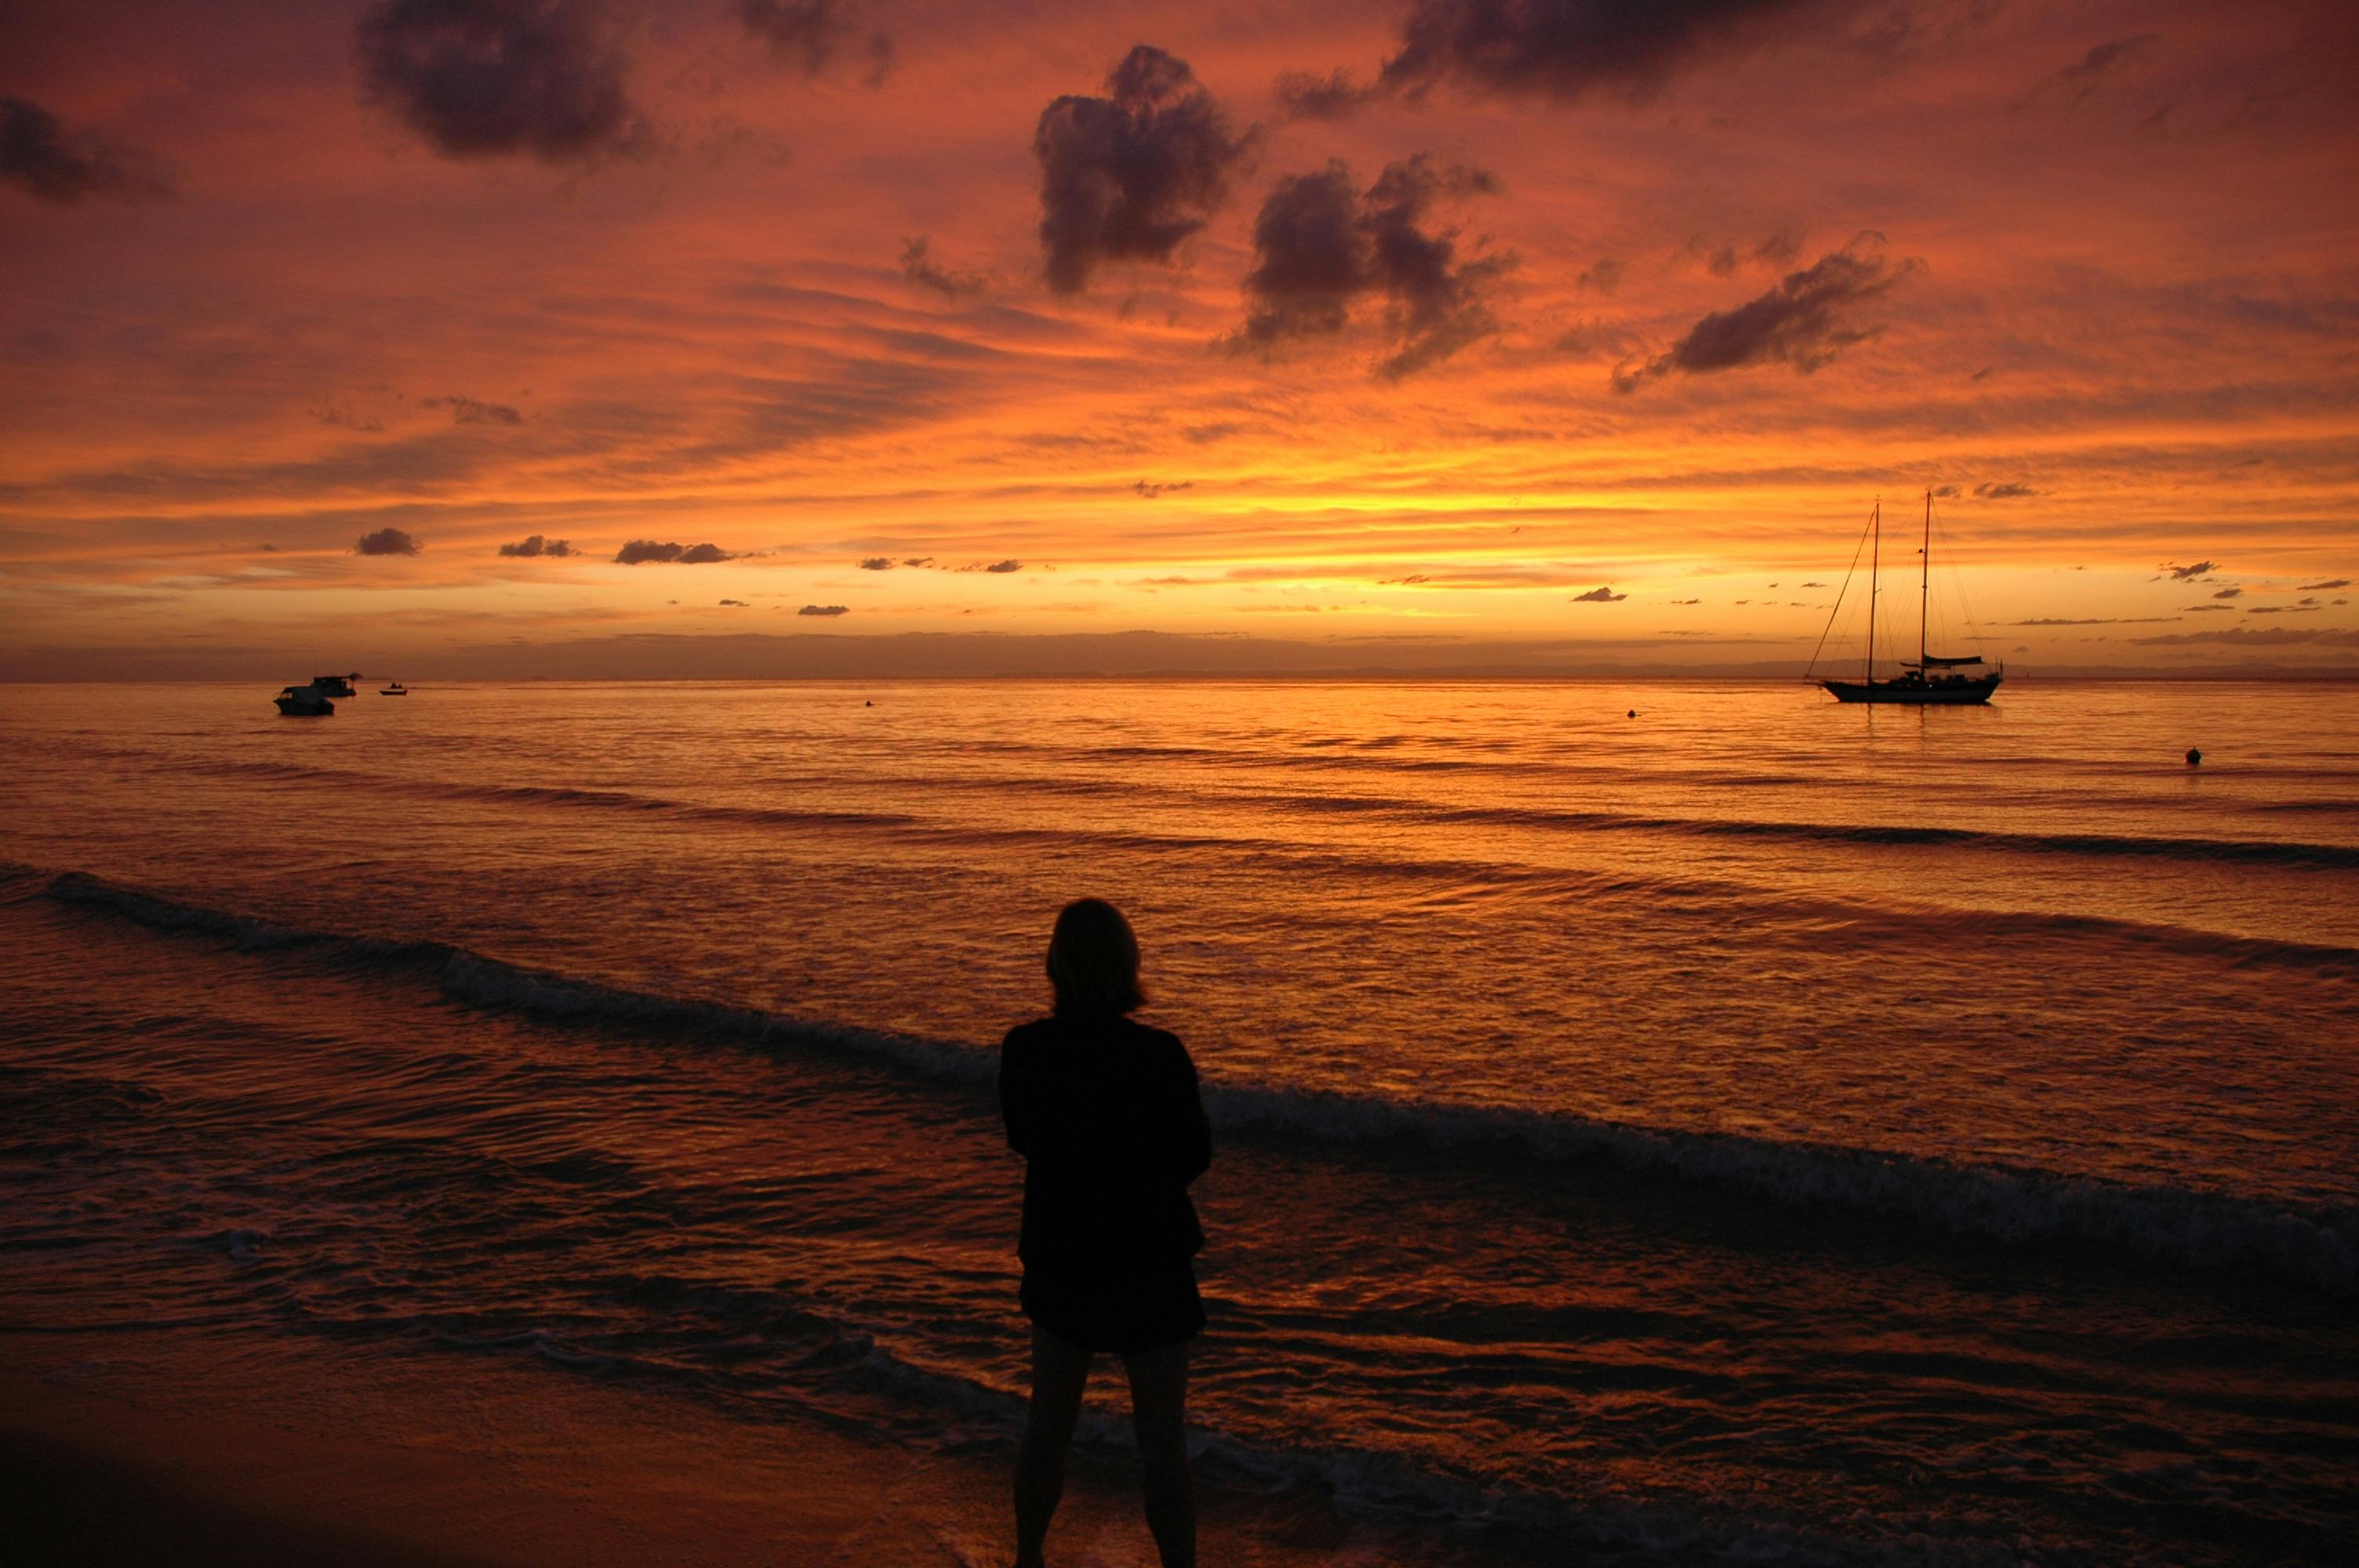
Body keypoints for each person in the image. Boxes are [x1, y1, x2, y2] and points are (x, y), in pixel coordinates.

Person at [1000, 898, 1212, 1568]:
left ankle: (1028, 1557)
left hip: (1065, 1254)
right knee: (1162, 1442)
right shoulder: (1160, 1054)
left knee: (1048, 1429)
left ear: (1056, 965)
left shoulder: (1027, 1048)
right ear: (1130, 964)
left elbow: (1024, 1138)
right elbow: (1193, 1157)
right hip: (1150, 1260)